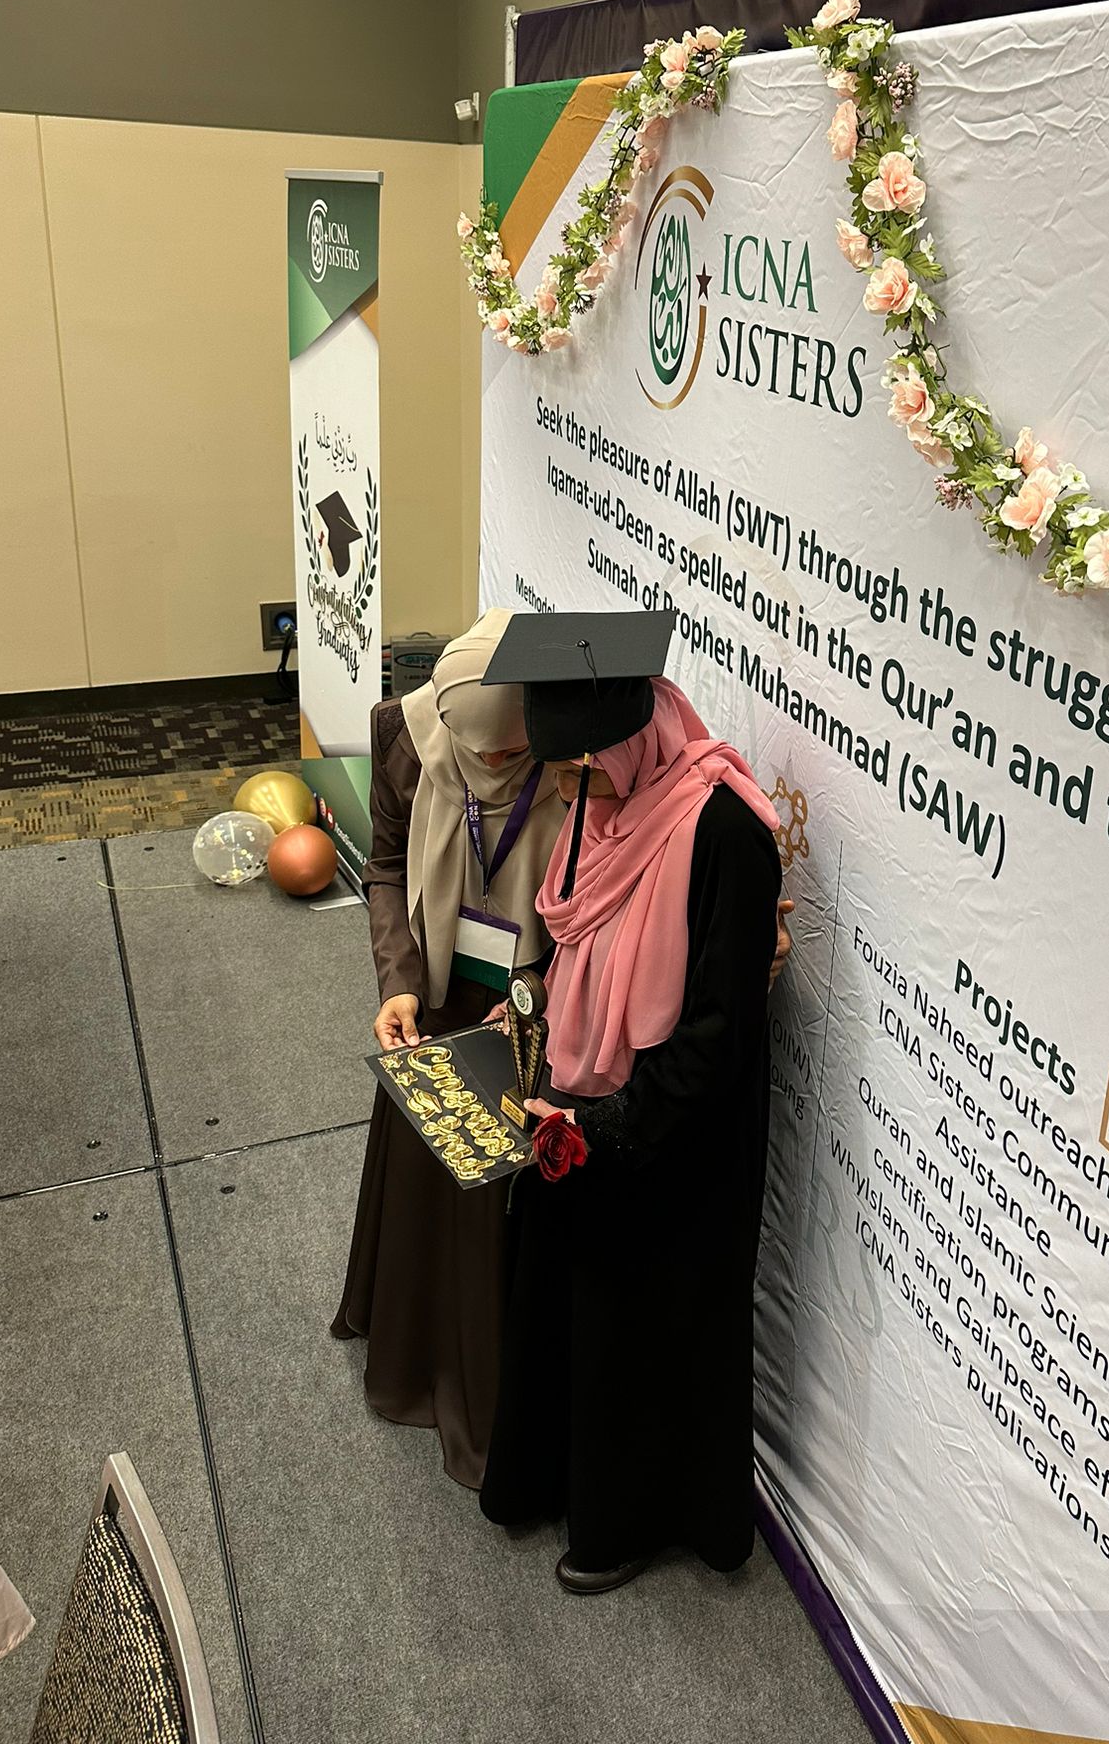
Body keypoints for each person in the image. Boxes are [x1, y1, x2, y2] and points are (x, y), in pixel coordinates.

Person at [477, 611, 783, 1592]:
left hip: (675, 1132)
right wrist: (531, 1009)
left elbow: (718, 1033)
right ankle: (549, 1476)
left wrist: (606, 1127)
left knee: (640, 1329)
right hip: (578, 1103)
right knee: (567, 1300)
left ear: (632, 739)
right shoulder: (597, 812)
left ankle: (631, 1521)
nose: (571, 794)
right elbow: (572, 941)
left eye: (584, 770)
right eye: (562, 773)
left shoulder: (725, 833)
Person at [331, 609, 564, 1489]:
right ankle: (412, 1349)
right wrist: (395, 980)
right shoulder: (402, 734)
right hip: (435, 987)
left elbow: (589, 903)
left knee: (494, 1203)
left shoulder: (571, 753)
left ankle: (484, 1383)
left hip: (528, 998)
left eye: (517, 753)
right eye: (485, 752)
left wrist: (538, 993)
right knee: (425, 1174)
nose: (500, 764)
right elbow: (385, 867)